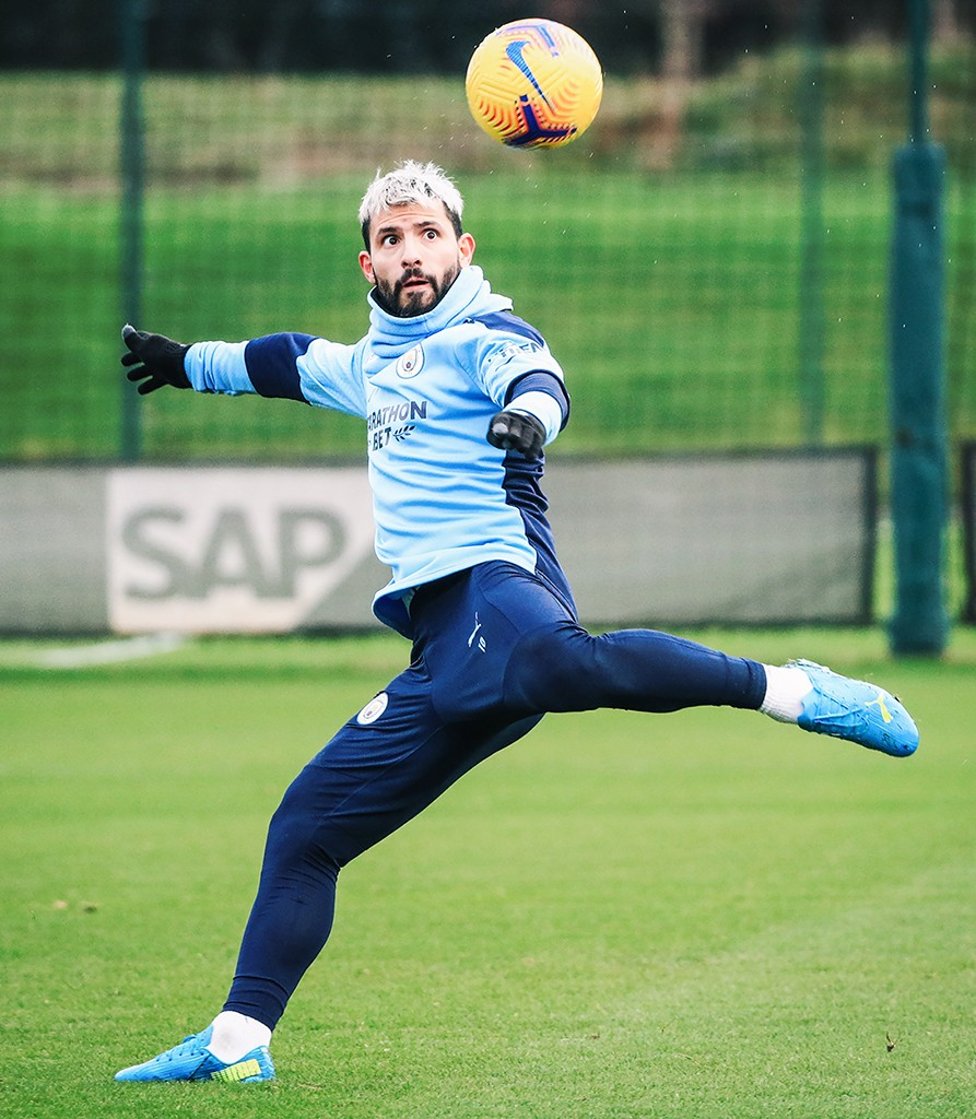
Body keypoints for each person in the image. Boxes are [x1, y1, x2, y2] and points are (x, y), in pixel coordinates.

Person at [114, 160, 918, 1084]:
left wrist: (529, 422)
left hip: (496, 585)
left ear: (462, 248)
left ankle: (797, 690)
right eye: (390, 239)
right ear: (366, 265)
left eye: (426, 235)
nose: (409, 252)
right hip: (442, 651)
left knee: (567, 667)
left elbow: (536, 375)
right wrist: (183, 365)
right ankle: (235, 1042)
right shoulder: (367, 366)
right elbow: (284, 361)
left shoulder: (483, 334)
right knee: (306, 827)